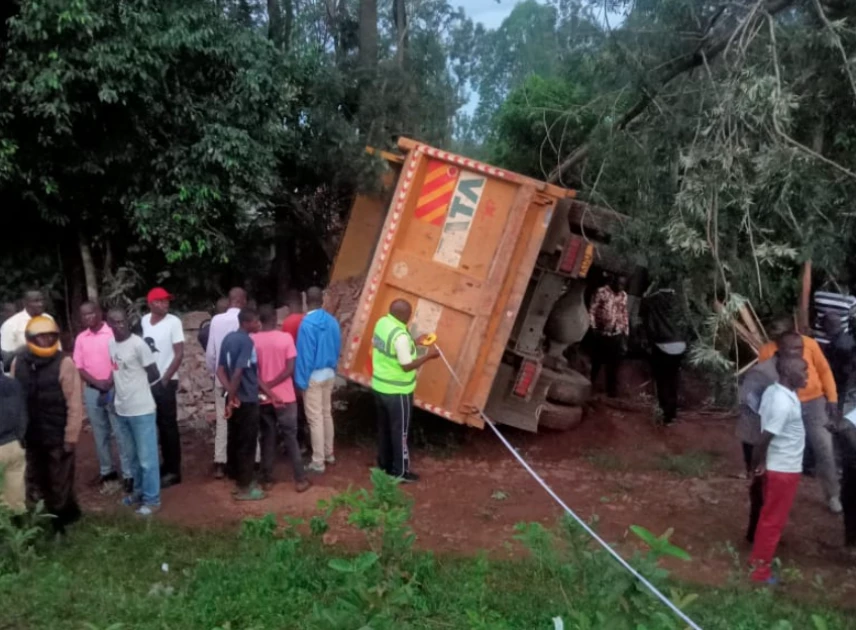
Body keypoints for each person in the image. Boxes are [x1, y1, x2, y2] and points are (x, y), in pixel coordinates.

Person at [758, 319, 841, 513]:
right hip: (784, 404)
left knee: (824, 446)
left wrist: (832, 398)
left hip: (813, 402)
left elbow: (824, 370)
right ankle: (771, 495)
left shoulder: (809, 344)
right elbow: (764, 382)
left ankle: (833, 495)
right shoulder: (767, 351)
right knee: (776, 448)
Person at [10, 316, 83, 537]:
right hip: (30, 434)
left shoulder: (64, 363)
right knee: (35, 480)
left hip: (57, 434)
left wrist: (71, 436)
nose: (46, 340)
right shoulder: (19, 362)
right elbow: (14, 399)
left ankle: (61, 525)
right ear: (31, 338)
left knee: (59, 481)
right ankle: (42, 520)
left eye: (51, 336)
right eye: (41, 336)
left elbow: (74, 402)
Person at [738, 331, 803, 543]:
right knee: (759, 487)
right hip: (756, 437)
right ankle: (755, 533)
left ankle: (766, 532)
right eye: (793, 349)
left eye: (801, 348)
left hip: (774, 439)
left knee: (771, 491)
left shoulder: (794, 370)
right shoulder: (761, 372)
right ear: (779, 349)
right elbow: (747, 401)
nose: (799, 353)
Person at [748, 355, 809, 583]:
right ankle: (760, 572)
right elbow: (764, 438)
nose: (807, 376)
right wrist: (756, 464)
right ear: (787, 374)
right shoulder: (782, 403)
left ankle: (757, 561)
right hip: (783, 470)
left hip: (781, 466)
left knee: (770, 518)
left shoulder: (778, 392)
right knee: (773, 521)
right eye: (803, 371)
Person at [371, 299, 439, 482]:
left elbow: (392, 349)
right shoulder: (400, 335)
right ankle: (400, 472)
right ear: (404, 315)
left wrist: (415, 342)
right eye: (409, 315)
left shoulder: (383, 323)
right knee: (399, 432)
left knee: (384, 428)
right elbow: (407, 365)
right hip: (397, 391)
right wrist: (429, 356)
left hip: (379, 386)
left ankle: (384, 464)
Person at [217, 308, 277, 500]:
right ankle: (245, 488)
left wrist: (229, 395)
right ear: (246, 323)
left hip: (235, 398)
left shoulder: (228, 339)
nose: (258, 324)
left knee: (235, 440)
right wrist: (234, 395)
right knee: (248, 442)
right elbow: (238, 372)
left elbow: (219, 370)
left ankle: (237, 478)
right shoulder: (246, 341)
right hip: (247, 400)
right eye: (255, 321)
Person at [107, 308, 162, 517]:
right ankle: (138, 493)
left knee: (147, 459)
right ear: (109, 325)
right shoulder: (111, 345)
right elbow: (117, 374)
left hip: (142, 410)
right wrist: (115, 396)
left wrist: (137, 391)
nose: (120, 326)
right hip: (122, 410)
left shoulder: (139, 344)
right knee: (132, 458)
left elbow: (154, 374)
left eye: (123, 322)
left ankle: (153, 500)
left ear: (128, 323)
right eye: (115, 322)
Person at [73, 301, 130, 494]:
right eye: (84, 315)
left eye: (91, 313)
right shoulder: (81, 338)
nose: (88, 317)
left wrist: (109, 381)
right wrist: (97, 383)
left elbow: (121, 358)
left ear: (99, 313)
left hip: (114, 387)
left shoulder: (112, 332)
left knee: (121, 431)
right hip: (92, 390)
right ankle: (107, 472)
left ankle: (129, 474)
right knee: (100, 433)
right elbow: (79, 367)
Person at [253, 305, 310, 493]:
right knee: (291, 437)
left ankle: (267, 479)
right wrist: (274, 385)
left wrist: (267, 389)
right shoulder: (285, 338)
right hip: (285, 397)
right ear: (276, 318)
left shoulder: (252, 340)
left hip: (263, 397)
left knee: (267, 437)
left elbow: (252, 372)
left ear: (259, 321)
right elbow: (289, 369)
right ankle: (300, 479)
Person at [294, 287, 342, 475]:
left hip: (313, 376)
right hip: (329, 373)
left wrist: (301, 381)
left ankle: (318, 461)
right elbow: (337, 346)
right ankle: (329, 454)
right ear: (322, 299)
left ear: (307, 301)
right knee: (326, 414)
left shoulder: (306, 324)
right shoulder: (332, 321)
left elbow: (304, 357)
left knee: (314, 419)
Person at [141, 287, 185, 488]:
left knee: (168, 426)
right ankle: (165, 464)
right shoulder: (144, 321)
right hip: (149, 381)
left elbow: (179, 354)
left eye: (167, 301)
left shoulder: (173, 322)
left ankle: (174, 470)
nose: (165, 304)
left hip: (166, 380)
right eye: (160, 301)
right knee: (156, 424)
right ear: (150, 304)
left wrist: (165, 379)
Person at [205, 287, 246, 478]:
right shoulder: (247, 318)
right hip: (243, 380)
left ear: (230, 300)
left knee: (223, 419)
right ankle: (251, 460)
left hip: (222, 378)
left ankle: (220, 462)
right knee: (246, 419)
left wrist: (215, 374)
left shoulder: (216, 320)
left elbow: (212, 353)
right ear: (242, 300)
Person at [641, 287, 686, 425]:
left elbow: (650, 324)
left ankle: (664, 413)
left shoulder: (653, 300)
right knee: (673, 380)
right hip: (680, 344)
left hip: (663, 344)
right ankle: (672, 414)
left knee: (662, 380)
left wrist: (649, 341)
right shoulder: (681, 300)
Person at [588, 274, 629, 398]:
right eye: (619, 284)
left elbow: (624, 313)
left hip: (616, 334)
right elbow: (592, 310)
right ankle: (589, 386)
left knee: (614, 365)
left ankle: (611, 392)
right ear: (613, 282)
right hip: (601, 333)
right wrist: (593, 327)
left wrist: (626, 332)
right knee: (597, 362)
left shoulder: (623, 295)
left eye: (623, 285)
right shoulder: (602, 291)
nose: (621, 287)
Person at [281, 291, 309, 453]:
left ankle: (298, 442)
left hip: (294, 370)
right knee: (309, 408)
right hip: (309, 369)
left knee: (295, 408)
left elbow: (287, 349)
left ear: (289, 306)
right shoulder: (307, 319)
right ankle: (309, 443)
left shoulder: (289, 322)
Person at [1, 290, 55, 368]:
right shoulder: (11, 325)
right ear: (25, 303)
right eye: (36, 301)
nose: (40, 304)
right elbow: (6, 357)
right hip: (22, 371)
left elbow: (57, 347)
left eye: (42, 300)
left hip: (50, 369)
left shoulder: (49, 319)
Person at [0, 371, 28, 514]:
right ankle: (19, 532)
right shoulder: (14, 384)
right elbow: (23, 414)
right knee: (16, 498)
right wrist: (19, 438)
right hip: (14, 445)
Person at [820, 314, 854, 413]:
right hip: (844, 378)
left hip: (838, 378)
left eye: (824, 325)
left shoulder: (835, 344)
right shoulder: (847, 338)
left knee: (836, 400)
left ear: (829, 325)